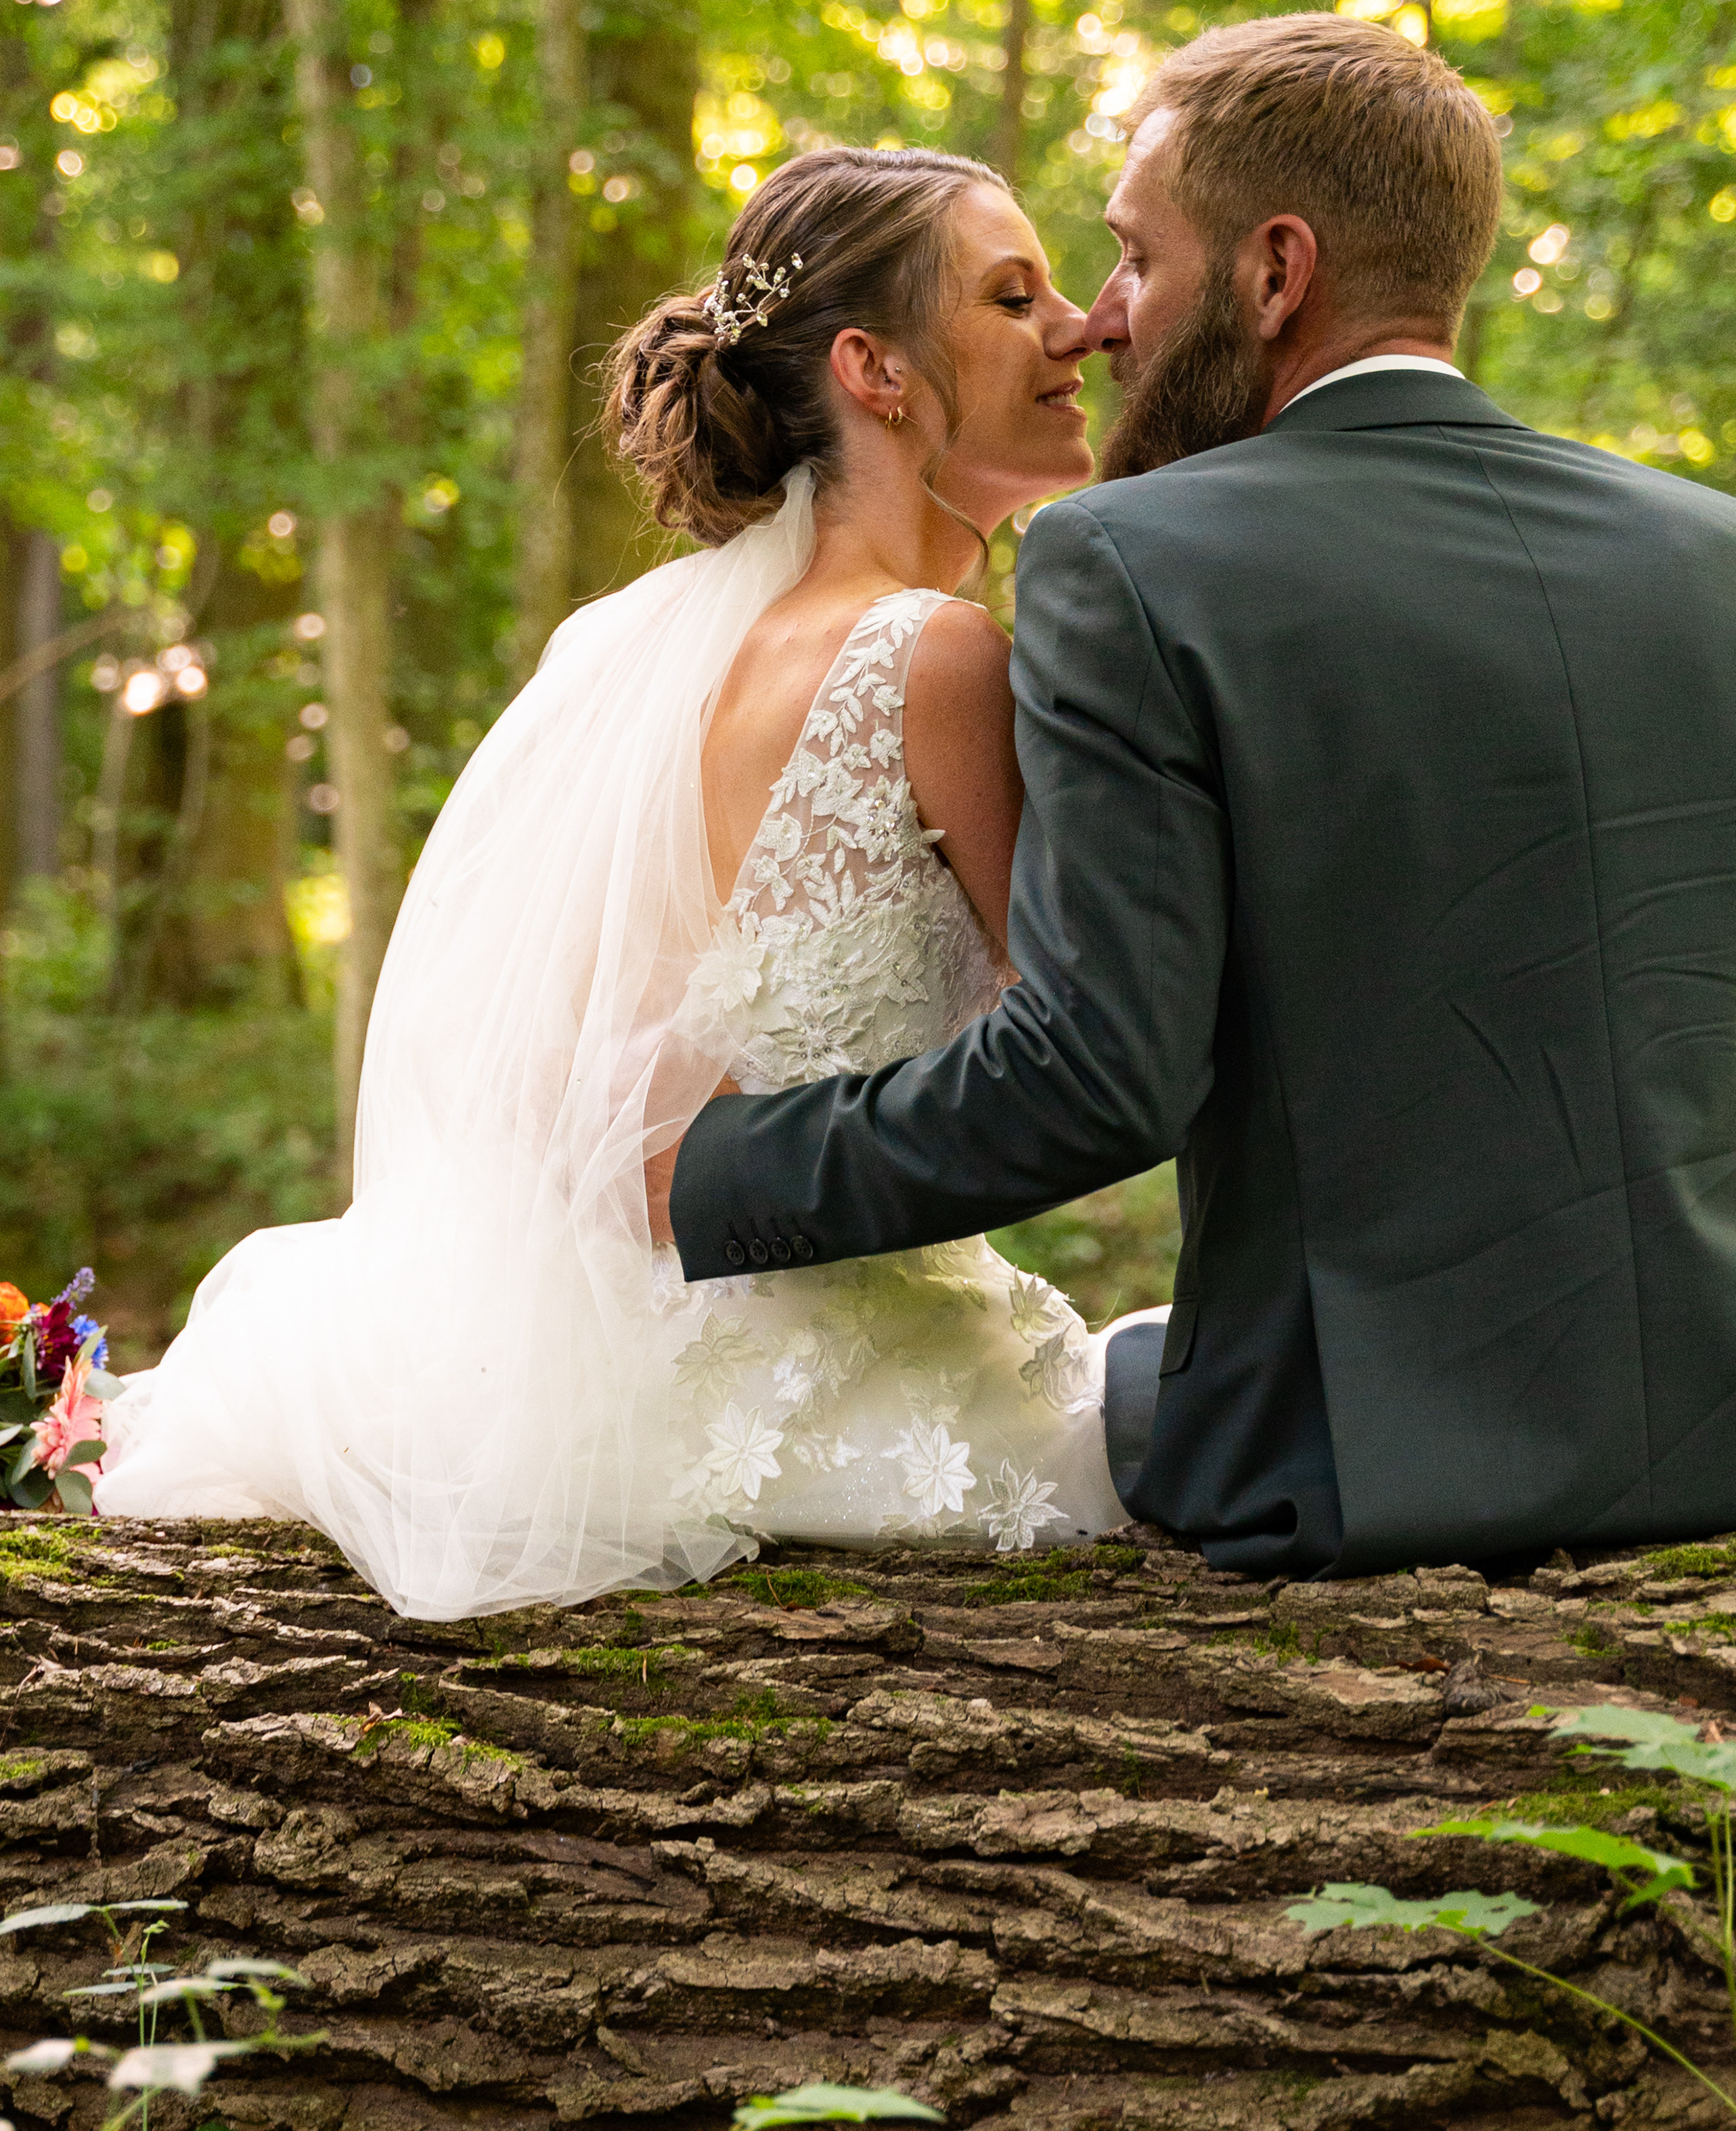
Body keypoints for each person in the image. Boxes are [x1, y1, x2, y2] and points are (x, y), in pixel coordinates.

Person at [659, 14, 1736, 1577]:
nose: (1104, 321)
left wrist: (711, 1178)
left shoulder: (1131, 561)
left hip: (1353, 1468)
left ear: (1276, 273)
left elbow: (1099, 1081)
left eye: (1137, 258)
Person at [99, 144, 1153, 1609]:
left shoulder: (628, 647)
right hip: (847, 1384)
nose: (1079, 330)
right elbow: (1092, 1033)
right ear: (877, 370)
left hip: (598, 1369)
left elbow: (559, 1063)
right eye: (1013, 297)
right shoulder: (935, 656)